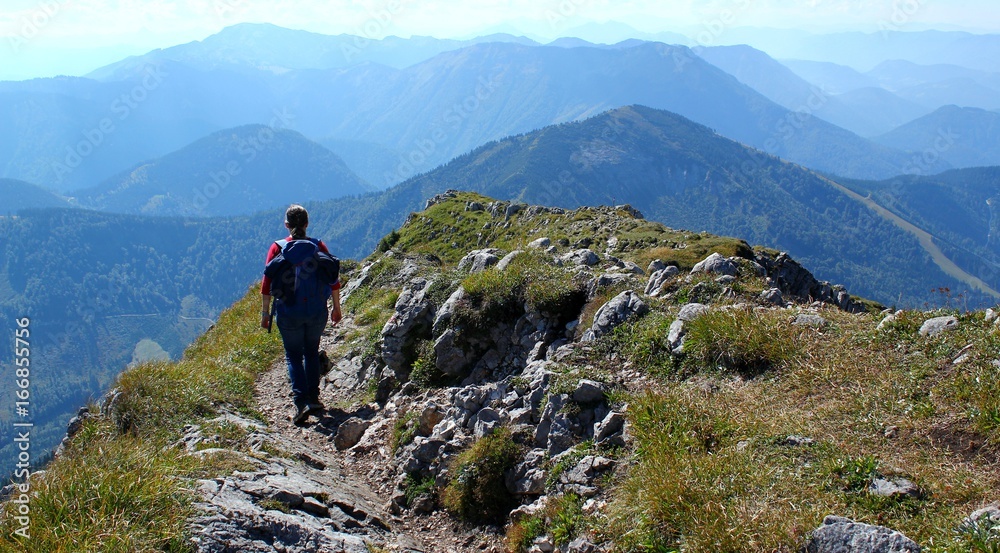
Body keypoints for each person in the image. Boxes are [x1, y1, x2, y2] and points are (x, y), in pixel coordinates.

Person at [261, 205, 343, 425]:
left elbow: (267, 283)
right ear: (307, 224)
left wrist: (265, 313)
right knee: (311, 351)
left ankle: (300, 402)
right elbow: (333, 280)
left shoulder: (277, 248)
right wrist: (336, 308)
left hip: (288, 312)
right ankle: (314, 398)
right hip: (317, 311)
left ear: (286, 225)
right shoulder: (318, 246)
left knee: (294, 356)